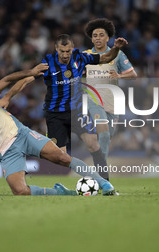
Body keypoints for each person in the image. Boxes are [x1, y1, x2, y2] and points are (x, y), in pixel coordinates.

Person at [0, 64, 116, 196]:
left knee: (62, 157)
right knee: (20, 191)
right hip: (6, 154)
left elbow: (6, 80)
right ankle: (63, 193)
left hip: (22, 135)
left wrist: (30, 73)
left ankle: (104, 183)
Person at [41, 34, 128, 180]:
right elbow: (28, 77)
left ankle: (105, 182)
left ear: (72, 48)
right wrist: (9, 94)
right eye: (62, 51)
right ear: (56, 49)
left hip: (76, 111)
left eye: (68, 50)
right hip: (55, 114)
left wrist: (116, 48)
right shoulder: (48, 63)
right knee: (60, 156)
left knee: (94, 144)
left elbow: (105, 58)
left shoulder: (80, 58)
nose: (65, 54)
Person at [83, 18, 137, 179]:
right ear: (91, 39)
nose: (97, 38)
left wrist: (119, 75)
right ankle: (102, 176)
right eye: (94, 35)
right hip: (93, 101)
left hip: (113, 102)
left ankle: (99, 173)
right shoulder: (85, 56)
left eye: (101, 35)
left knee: (105, 139)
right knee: (104, 135)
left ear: (108, 38)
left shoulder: (118, 55)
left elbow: (133, 75)